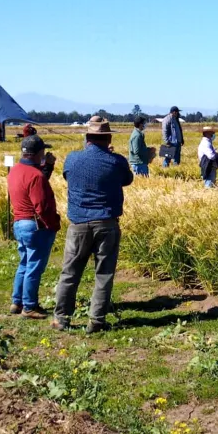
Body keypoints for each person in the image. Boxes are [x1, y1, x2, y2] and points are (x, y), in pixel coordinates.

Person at [53, 116, 134, 334]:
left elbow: (68, 177)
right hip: (107, 223)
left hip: (78, 224)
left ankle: (61, 318)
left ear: (87, 137)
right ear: (108, 138)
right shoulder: (116, 161)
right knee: (104, 273)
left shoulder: (72, 159)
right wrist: (110, 156)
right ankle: (96, 320)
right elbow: (127, 179)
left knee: (70, 272)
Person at [7, 135, 60, 319]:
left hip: (19, 223)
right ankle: (29, 306)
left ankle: (17, 301)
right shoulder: (36, 176)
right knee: (34, 267)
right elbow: (42, 207)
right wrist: (53, 225)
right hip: (35, 226)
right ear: (39, 153)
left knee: (24, 263)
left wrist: (47, 167)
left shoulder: (15, 170)